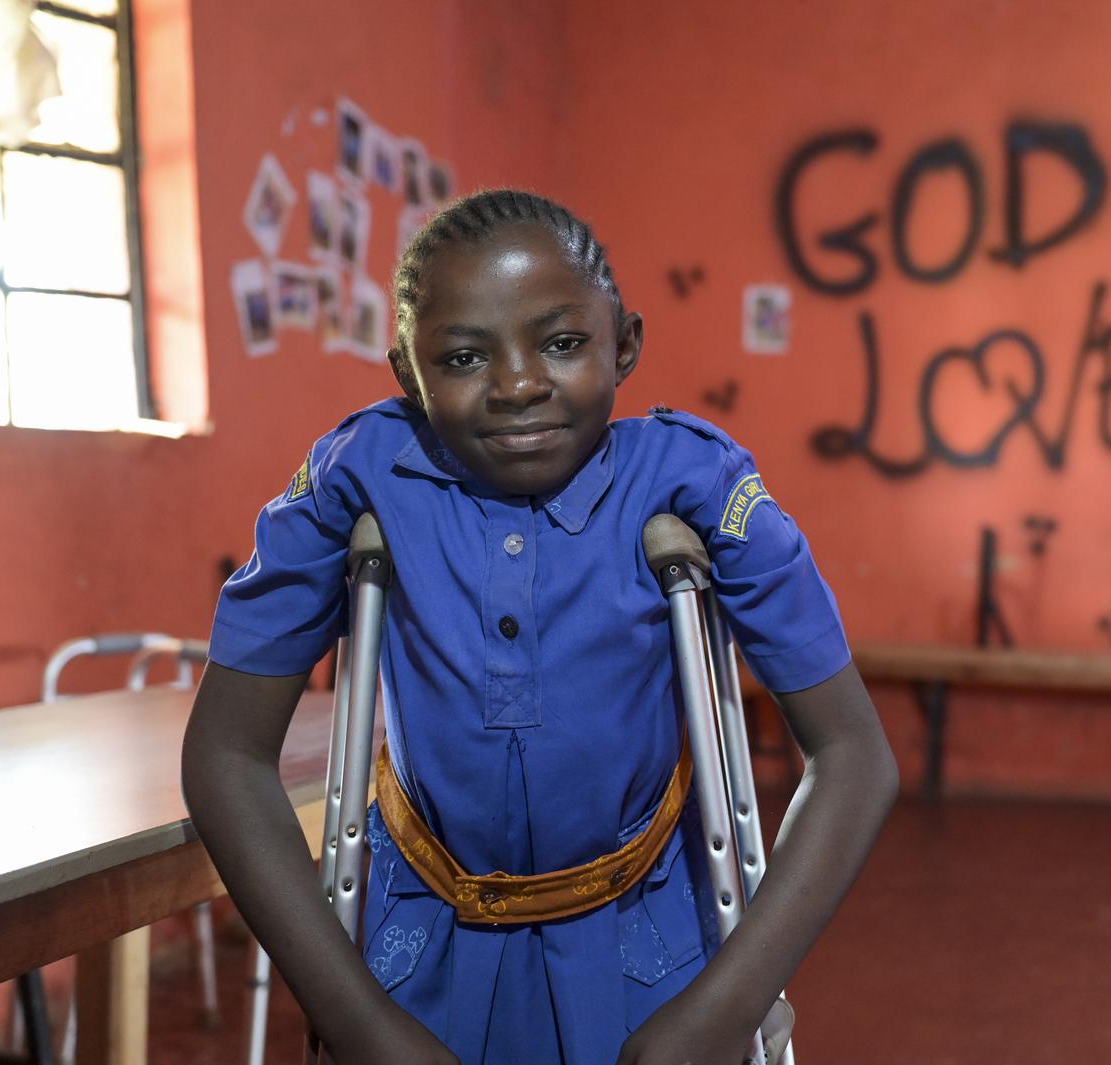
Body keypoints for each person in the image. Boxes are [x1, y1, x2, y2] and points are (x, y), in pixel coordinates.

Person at [181, 189, 898, 1065]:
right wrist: (359, 1023)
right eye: (462, 357)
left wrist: (726, 1006)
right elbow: (226, 754)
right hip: (416, 944)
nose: (520, 383)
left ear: (625, 343)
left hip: (654, 938)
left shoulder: (693, 481)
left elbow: (854, 755)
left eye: (563, 343)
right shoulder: (359, 476)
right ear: (407, 373)